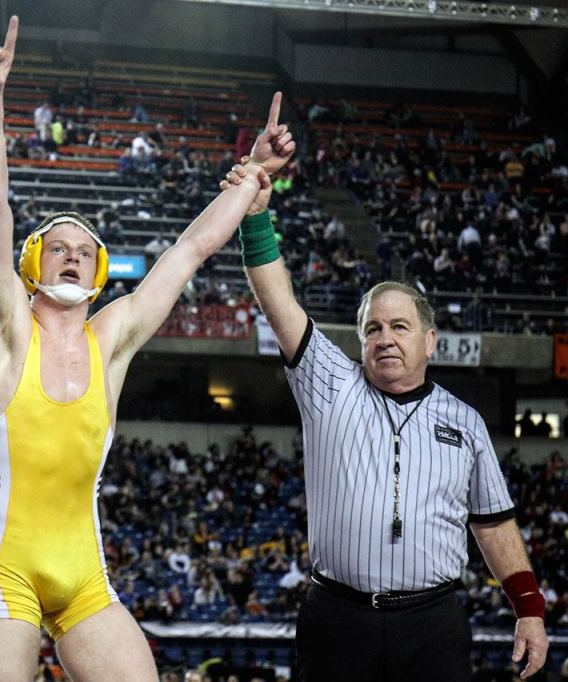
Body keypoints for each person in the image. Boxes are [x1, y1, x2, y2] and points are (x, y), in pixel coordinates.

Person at [0, 17, 285, 681]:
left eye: (86, 252)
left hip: (84, 575)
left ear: (100, 271)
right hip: (7, 567)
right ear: (32, 263)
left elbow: (191, 249)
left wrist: (252, 177)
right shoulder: (6, 330)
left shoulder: (110, 338)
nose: (74, 257)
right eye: (60, 247)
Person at [224, 145, 549, 680]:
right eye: (373, 328)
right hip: (337, 617)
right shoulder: (327, 382)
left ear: (430, 341)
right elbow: (278, 300)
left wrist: (529, 609)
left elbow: (493, 524)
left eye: (399, 327)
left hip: (433, 623)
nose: (385, 338)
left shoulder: (465, 422)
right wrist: (256, 214)